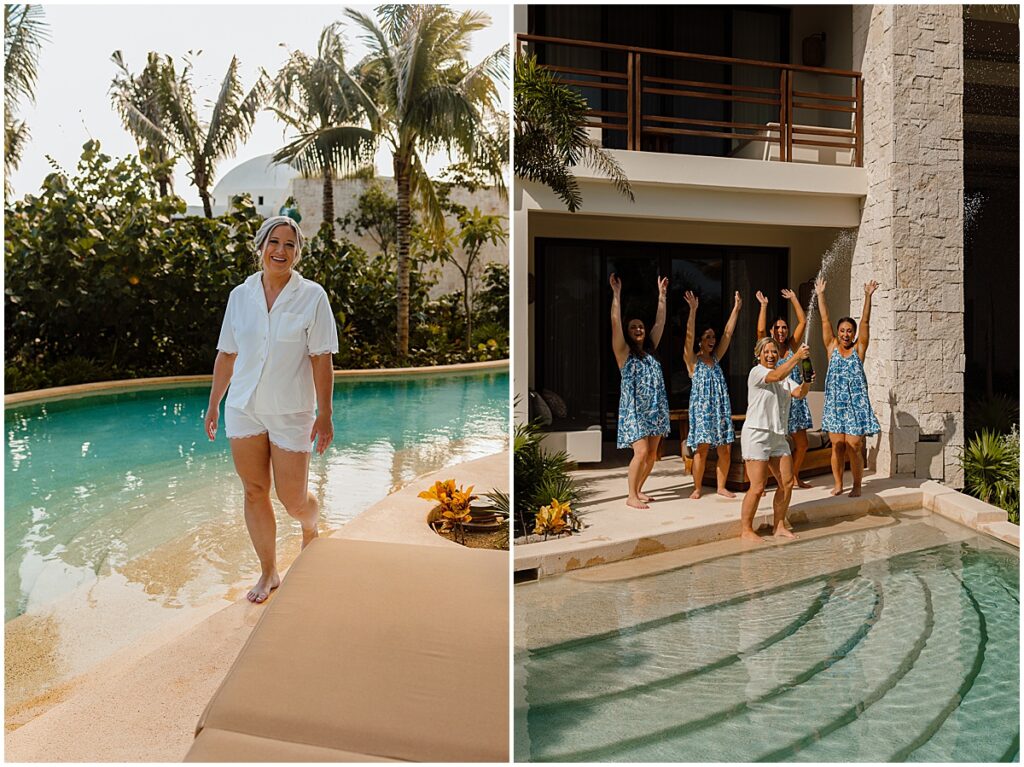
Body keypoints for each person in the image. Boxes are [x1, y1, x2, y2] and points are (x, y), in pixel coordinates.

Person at [204, 215, 339, 603]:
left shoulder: (312, 296)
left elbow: (321, 358)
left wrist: (325, 413)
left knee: (292, 499)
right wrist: (214, 403)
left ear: (298, 252)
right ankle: (269, 572)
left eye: (290, 245)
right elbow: (227, 353)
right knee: (253, 491)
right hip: (243, 407)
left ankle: (310, 526)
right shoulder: (240, 295)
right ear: (260, 246)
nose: (281, 251)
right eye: (274, 242)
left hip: (291, 411)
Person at [739, 337, 811, 542]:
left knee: (787, 482)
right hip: (757, 434)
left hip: (778, 435)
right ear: (759, 354)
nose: (770, 355)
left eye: (774, 352)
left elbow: (799, 393)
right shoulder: (758, 372)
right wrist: (797, 356)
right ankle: (746, 530)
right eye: (766, 352)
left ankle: (778, 525)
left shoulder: (785, 378)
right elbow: (777, 374)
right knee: (758, 486)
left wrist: (807, 381)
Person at [815, 277, 881, 497]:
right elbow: (824, 321)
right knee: (837, 446)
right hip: (835, 405)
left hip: (855, 406)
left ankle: (857, 485)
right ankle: (838, 484)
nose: (845, 334)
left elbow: (865, 323)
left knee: (853, 445)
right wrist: (821, 295)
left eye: (849, 331)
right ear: (838, 332)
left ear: (853, 335)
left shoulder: (858, 350)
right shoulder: (831, 346)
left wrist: (868, 297)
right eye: (842, 330)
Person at [610, 273, 671, 510]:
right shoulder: (623, 352)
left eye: (641, 326)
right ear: (628, 331)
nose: (638, 329)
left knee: (652, 454)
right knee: (641, 451)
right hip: (634, 410)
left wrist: (662, 296)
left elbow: (661, 323)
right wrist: (616, 294)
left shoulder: (651, 350)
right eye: (633, 327)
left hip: (655, 408)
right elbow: (615, 322)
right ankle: (630, 495)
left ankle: (639, 489)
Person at [683, 290, 742, 499]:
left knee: (725, 448)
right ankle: (697, 488)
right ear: (700, 340)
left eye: (712, 337)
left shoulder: (716, 359)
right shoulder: (693, 361)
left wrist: (736, 308)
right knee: (702, 448)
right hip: (702, 411)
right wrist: (692, 311)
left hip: (720, 408)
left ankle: (721, 486)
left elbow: (727, 333)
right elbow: (688, 337)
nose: (712, 340)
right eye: (707, 337)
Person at [755, 288, 815, 488]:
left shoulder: (792, 346)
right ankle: (761, 484)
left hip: (795, 398)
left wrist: (794, 299)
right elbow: (760, 331)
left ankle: (794, 477)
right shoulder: (768, 350)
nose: (781, 331)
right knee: (768, 445)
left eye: (784, 327)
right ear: (772, 331)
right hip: (774, 402)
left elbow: (803, 322)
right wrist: (763, 306)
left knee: (802, 444)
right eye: (777, 328)